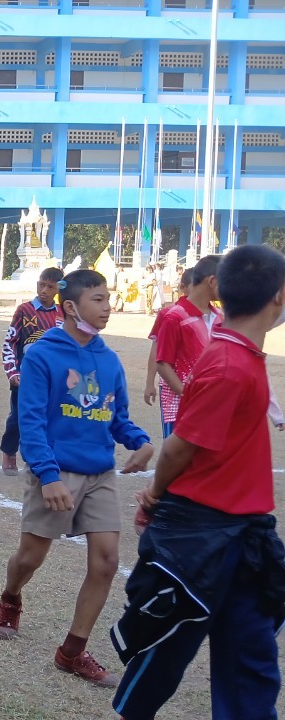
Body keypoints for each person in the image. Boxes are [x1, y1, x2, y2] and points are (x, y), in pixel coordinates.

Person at [114, 245, 285, 720]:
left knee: (251, 659)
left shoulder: (239, 354)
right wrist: (153, 495)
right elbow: (179, 447)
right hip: (203, 537)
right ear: (278, 295)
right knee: (166, 650)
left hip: (244, 533)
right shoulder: (229, 365)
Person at [0, 269, 154, 688]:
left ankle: (72, 651)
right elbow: (30, 421)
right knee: (30, 558)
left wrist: (139, 441)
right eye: (98, 300)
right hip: (54, 471)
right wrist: (47, 476)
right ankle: (11, 595)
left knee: (107, 560)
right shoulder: (42, 356)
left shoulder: (109, 359)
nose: (108, 307)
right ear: (70, 307)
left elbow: (116, 417)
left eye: (108, 299)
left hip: (99, 472)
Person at [0, 267, 64, 475]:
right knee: (19, 417)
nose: (44, 290)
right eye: (41, 285)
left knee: (48, 418)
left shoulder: (63, 313)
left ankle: (36, 458)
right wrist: (12, 372)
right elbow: (10, 342)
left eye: (50, 287)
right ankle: (9, 451)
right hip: (25, 377)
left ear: (59, 289)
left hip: (53, 378)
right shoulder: (24, 310)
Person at [153, 255, 222, 438]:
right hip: (180, 407)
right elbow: (163, 364)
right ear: (212, 281)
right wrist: (187, 395)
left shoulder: (220, 317)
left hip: (212, 406)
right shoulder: (175, 317)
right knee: (179, 454)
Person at [142, 269, 193, 411]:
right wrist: (149, 383)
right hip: (173, 389)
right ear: (183, 287)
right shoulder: (168, 314)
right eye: (196, 287)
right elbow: (156, 350)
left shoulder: (216, 316)